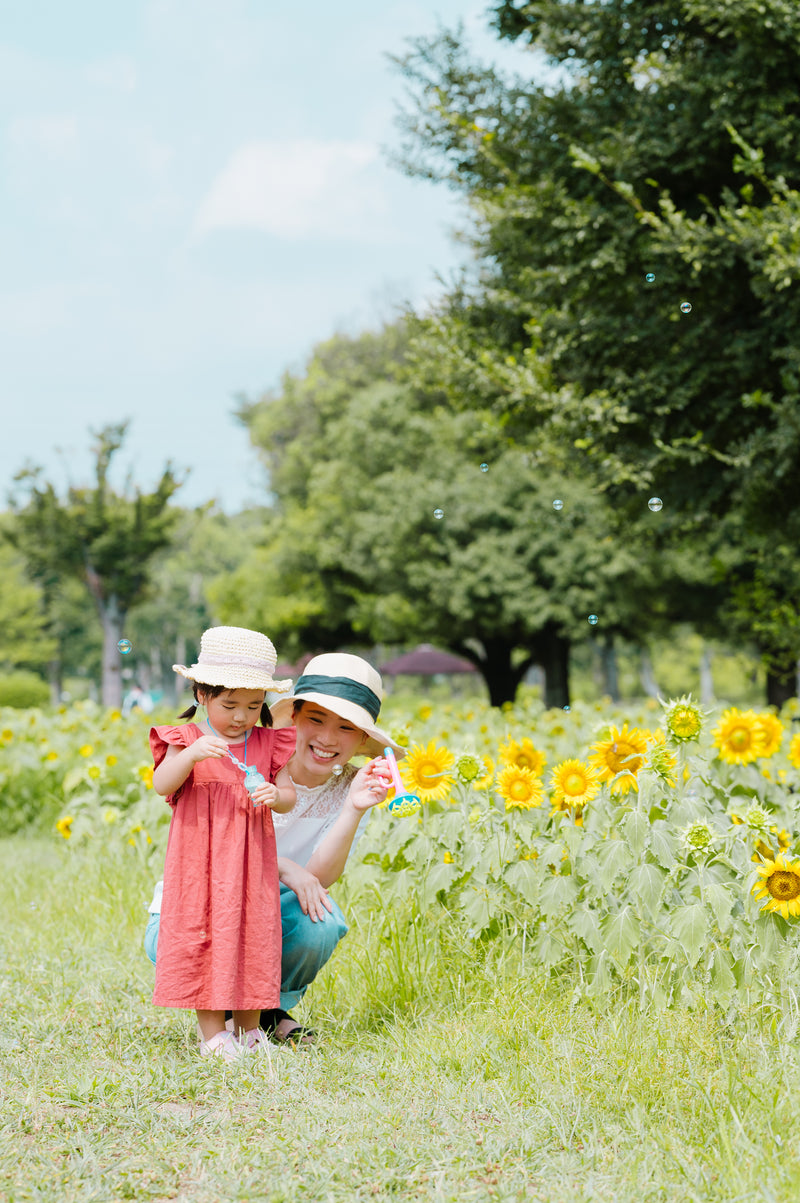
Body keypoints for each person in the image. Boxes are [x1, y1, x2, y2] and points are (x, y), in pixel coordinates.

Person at [145, 651, 401, 1048]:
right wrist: (283, 866)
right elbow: (167, 786)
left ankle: (262, 1014)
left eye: (346, 728)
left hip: (264, 903)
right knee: (199, 933)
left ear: (363, 739)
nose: (328, 738)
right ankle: (220, 1020)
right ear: (293, 717)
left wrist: (352, 807)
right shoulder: (227, 750)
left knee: (317, 923)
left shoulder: (351, 785)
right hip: (204, 895)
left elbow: (321, 878)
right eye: (315, 720)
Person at [151, 625, 298, 1061]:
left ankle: (250, 1030)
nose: (241, 716)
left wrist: (277, 796)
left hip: (252, 865)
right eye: (229, 704)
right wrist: (192, 756)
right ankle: (213, 1034)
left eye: (254, 705)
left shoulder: (270, 742)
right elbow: (162, 785)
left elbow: (288, 794)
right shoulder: (187, 740)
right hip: (201, 864)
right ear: (202, 694)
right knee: (204, 936)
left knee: (256, 936)